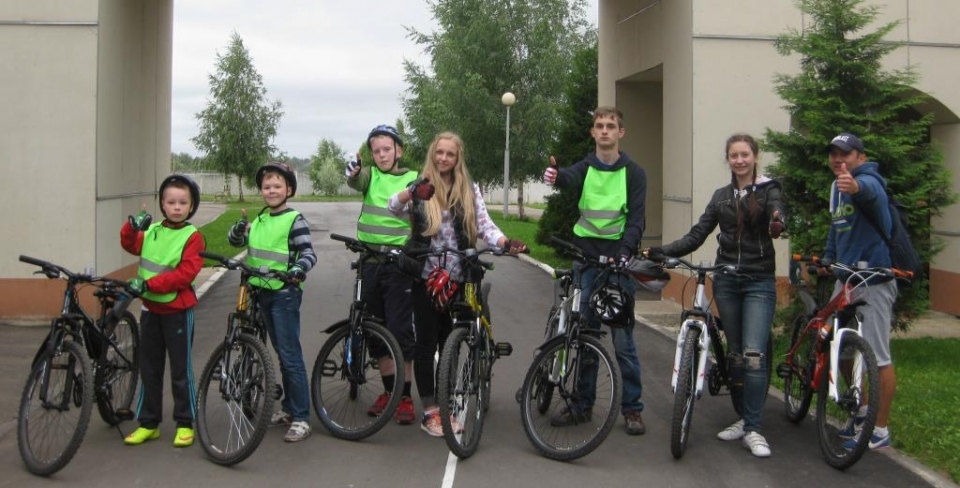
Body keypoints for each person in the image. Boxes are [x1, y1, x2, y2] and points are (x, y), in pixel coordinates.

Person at [645, 134, 785, 457]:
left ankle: (754, 429)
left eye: (745, 154)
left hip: (758, 281)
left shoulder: (768, 190)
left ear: (755, 157)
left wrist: (777, 222)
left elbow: (777, 214)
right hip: (727, 281)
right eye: (734, 155)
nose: (740, 160)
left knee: (753, 354)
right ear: (728, 159)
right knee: (736, 354)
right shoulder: (721, 197)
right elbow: (698, 234)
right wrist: (663, 251)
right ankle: (743, 418)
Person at [387, 131, 526, 437]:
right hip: (426, 274)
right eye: (439, 152)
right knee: (426, 344)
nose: (444, 158)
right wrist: (411, 192)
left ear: (457, 157)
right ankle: (431, 413)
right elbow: (391, 207)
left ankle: (445, 404)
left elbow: (485, 225)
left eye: (450, 154)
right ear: (433, 154)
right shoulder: (421, 187)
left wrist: (505, 242)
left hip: (459, 275)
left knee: (448, 341)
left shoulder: (468, 189)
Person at [542, 106, 647, 436]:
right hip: (586, 260)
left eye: (610, 126)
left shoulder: (634, 173)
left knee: (623, 341)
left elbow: (636, 220)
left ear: (620, 132)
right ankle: (582, 405)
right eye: (599, 125)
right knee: (585, 336)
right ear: (593, 132)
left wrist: (625, 252)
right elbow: (568, 177)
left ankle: (632, 408)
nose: (604, 130)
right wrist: (555, 176)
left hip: (618, 264)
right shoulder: (586, 166)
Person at [345, 124, 430, 425]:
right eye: (376, 151)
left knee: (400, 330)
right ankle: (389, 392)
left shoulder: (412, 178)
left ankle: (404, 397)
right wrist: (352, 171)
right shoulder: (370, 176)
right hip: (369, 260)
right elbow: (354, 180)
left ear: (399, 151)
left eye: (387, 149)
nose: (381, 155)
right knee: (375, 329)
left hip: (398, 264)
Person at [228, 162, 317, 443]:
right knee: (280, 352)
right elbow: (236, 242)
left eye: (278, 186)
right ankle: (289, 409)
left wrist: (297, 269)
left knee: (289, 355)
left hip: (284, 293)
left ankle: (301, 417)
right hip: (260, 292)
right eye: (267, 186)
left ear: (289, 189)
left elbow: (308, 254)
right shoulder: (261, 219)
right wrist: (238, 230)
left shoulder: (294, 220)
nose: (271, 190)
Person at [823, 132, 897, 451]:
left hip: (873, 279)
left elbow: (870, 193)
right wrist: (828, 257)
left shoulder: (869, 180)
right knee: (837, 346)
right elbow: (837, 226)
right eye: (834, 154)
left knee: (878, 356)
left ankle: (879, 430)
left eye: (846, 154)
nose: (838, 159)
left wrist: (855, 187)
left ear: (861, 158)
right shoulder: (835, 187)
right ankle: (863, 411)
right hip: (846, 279)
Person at [120, 174, 205, 448]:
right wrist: (131, 227)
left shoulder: (193, 237)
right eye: (171, 202)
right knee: (149, 369)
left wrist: (148, 285)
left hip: (177, 311)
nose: (177, 207)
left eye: (183, 203)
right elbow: (130, 244)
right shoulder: (152, 230)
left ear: (191, 206)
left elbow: (185, 275)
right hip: (150, 310)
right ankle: (148, 424)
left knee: (181, 370)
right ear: (162, 204)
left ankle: (185, 423)